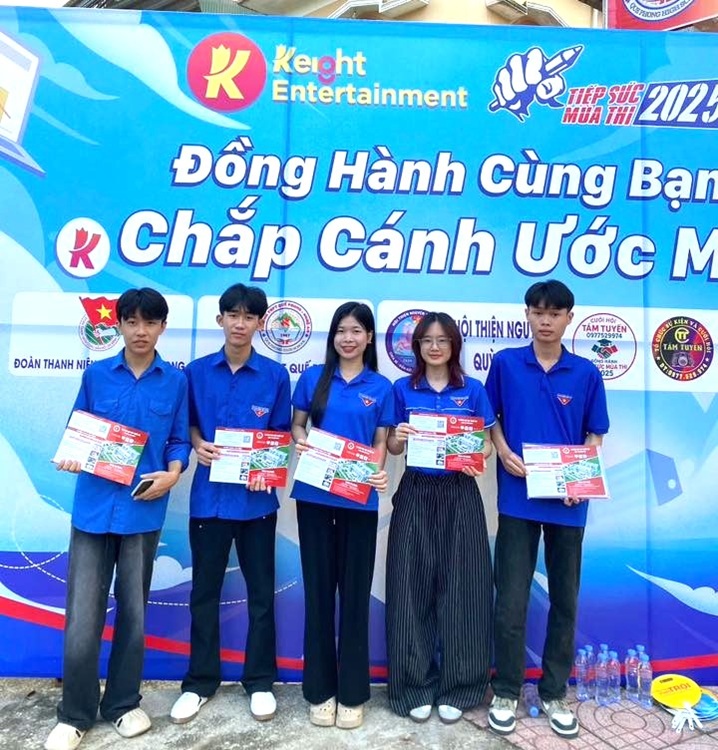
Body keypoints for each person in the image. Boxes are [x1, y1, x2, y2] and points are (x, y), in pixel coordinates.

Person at [45, 288, 190, 750]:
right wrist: (72, 454)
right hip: (92, 511)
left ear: (163, 327)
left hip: (142, 510)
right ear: (119, 325)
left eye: (150, 322)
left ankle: (123, 704)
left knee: (134, 614)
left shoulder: (175, 381)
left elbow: (178, 441)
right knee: (82, 617)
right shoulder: (96, 375)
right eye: (132, 322)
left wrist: (174, 473)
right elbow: (77, 431)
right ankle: (75, 713)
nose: (140, 331)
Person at [485, 280, 609, 740]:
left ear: (568, 318)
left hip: (568, 503)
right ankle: (506, 690)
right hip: (518, 498)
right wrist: (502, 451)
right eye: (537, 312)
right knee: (510, 599)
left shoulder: (586, 372)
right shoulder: (505, 364)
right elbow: (490, 419)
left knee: (565, 600)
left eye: (554, 313)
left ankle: (555, 692)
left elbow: (594, 435)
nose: (545, 321)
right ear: (527, 315)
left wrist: (582, 478)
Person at [169, 283, 291, 725]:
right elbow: (186, 426)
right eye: (233, 315)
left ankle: (259, 681)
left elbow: (280, 436)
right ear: (220, 319)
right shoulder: (196, 372)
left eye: (249, 316)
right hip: (209, 503)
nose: (240, 324)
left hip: (257, 505)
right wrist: (198, 443)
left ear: (260, 323)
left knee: (261, 596)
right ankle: (200, 682)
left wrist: (266, 465)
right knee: (204, 594)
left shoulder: (276, 375)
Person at [385, 312, 495, 725]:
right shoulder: (401, 389)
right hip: (415, 490)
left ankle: (459, 686)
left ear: (454, 346)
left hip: (460, 492)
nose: (435, 347)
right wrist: (399, 437)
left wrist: (476, 454)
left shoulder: (473, 389)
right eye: (427, 340)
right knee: (409, 586)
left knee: (464, 588)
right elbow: (392, 447)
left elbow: (486, 444)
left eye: (443, 340)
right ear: (416, 346)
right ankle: (413, 686)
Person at [290, 302, 392, 730]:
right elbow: (297, 425)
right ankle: (320, 691)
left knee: (354, 596)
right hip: (314, 496)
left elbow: (380, 441)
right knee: (318, 593)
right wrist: (301, 442)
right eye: (341, 331)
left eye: (356, 331)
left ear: (368, 338)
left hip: (359, 500)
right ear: (332, 337)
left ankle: (352, 693)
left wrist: (377, 473)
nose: (348, 338)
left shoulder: (381, 386)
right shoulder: (313, 378)